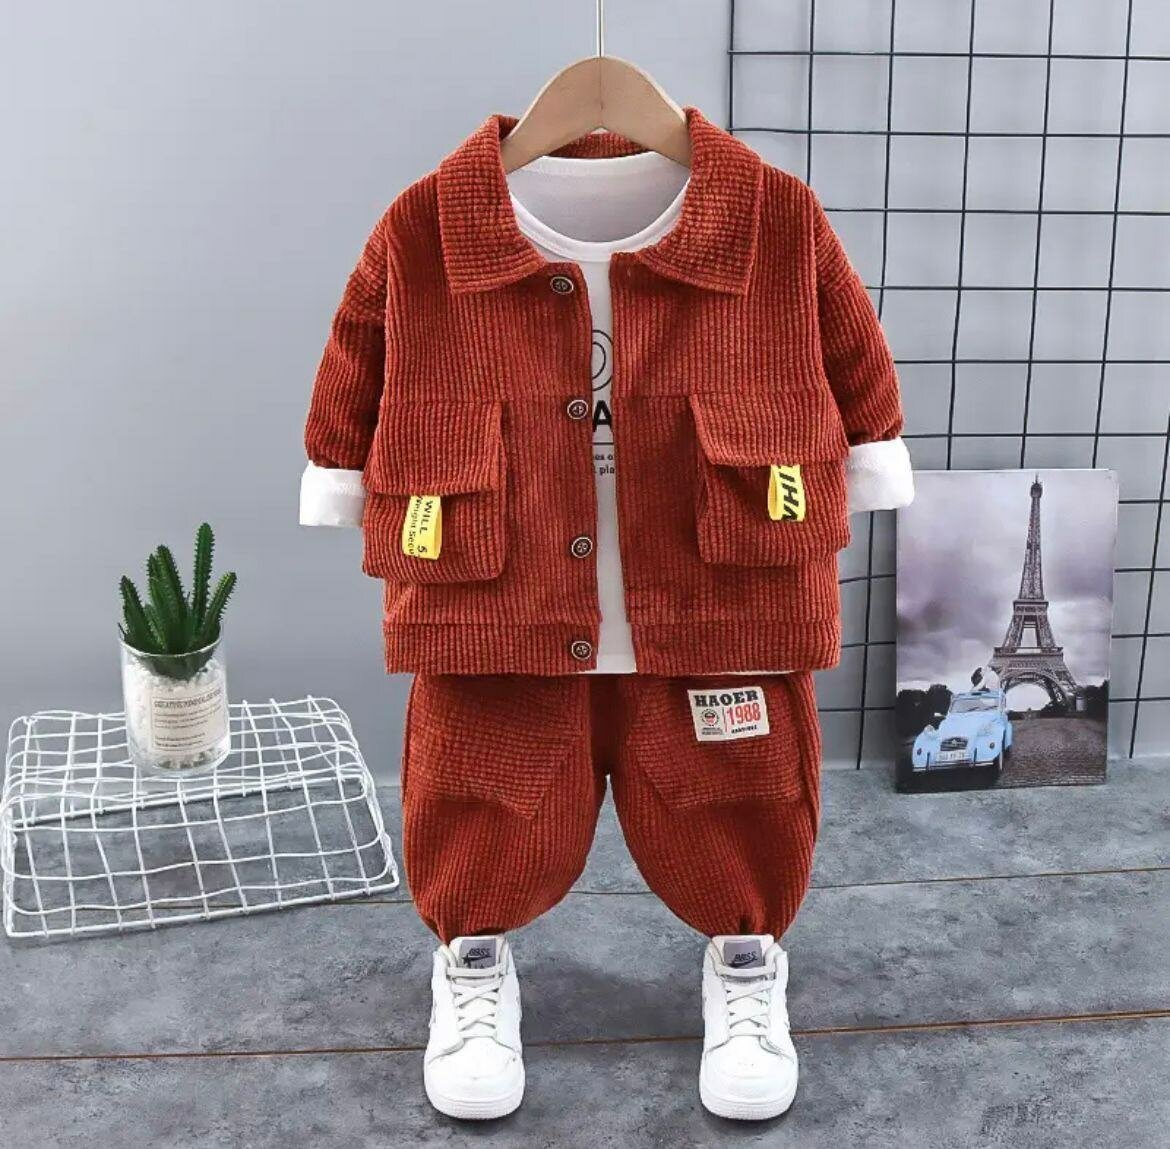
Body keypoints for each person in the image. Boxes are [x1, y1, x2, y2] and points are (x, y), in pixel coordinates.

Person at [300, 109, 912, 1121]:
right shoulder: (428, 229)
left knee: (741, 794)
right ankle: (472, 959)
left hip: (720, 597)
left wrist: (871, 434)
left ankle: (747, 956)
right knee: (479, 793)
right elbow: (357, 352)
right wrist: (337, 454)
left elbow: (851, 347)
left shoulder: (774, 221)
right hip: (499, 606)